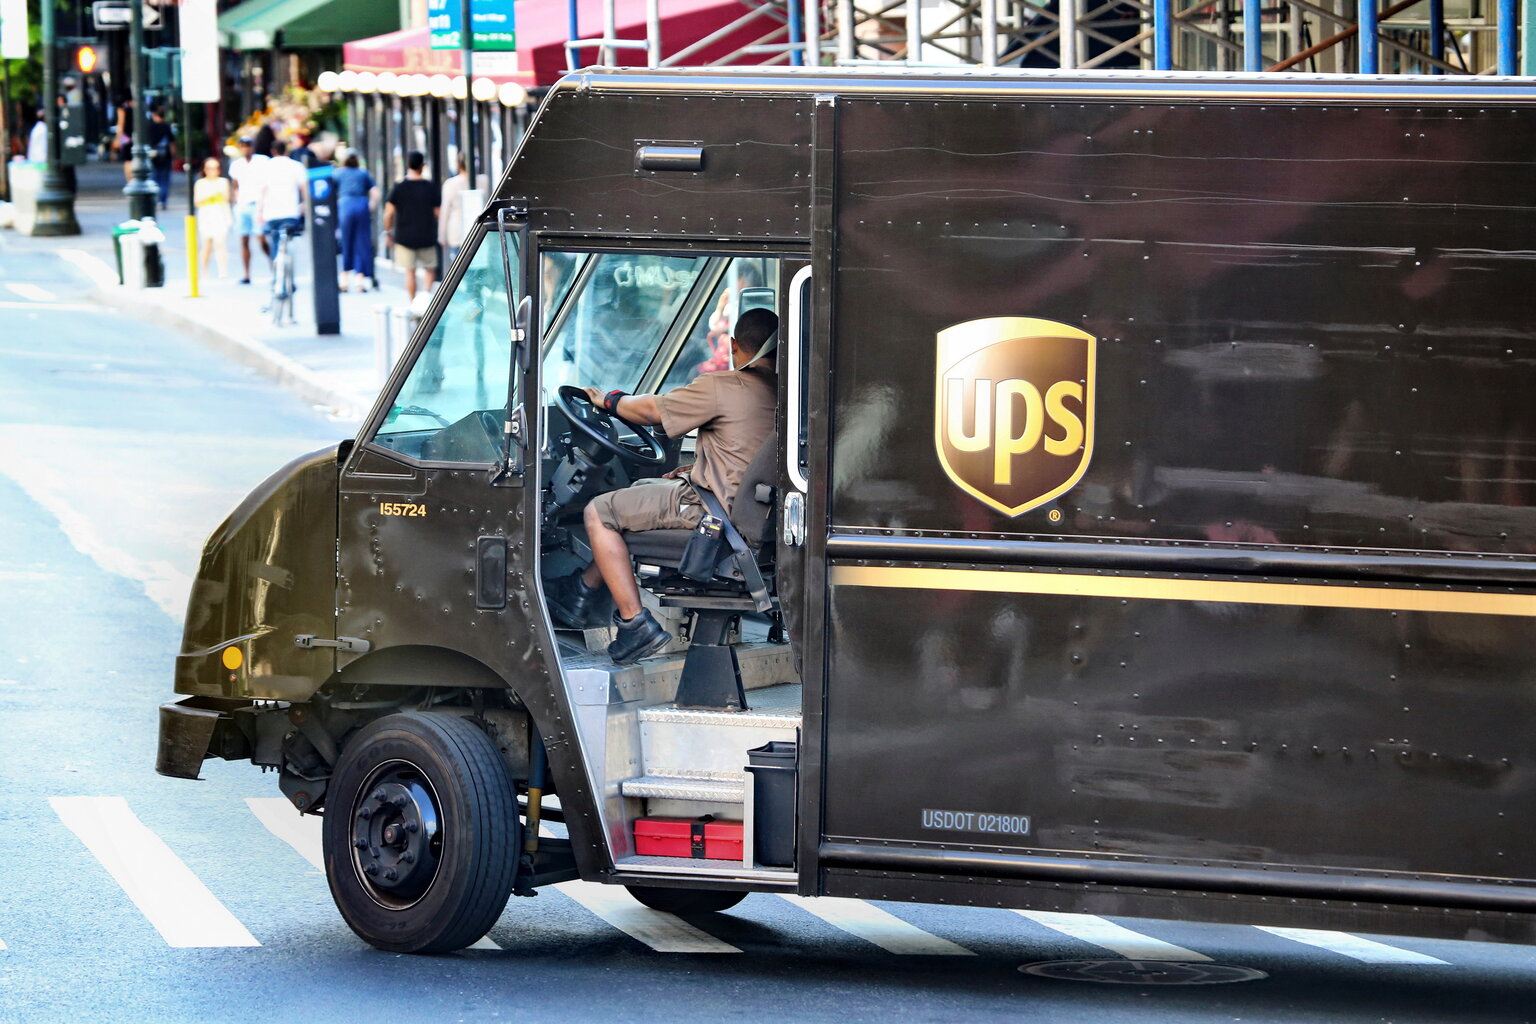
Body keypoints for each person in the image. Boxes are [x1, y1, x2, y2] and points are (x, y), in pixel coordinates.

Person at [550, 307, 780, 664]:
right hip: (748, 513)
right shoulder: (786, 396)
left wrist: (607, 400)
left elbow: (649, 411)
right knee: (639, 491)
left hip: (713, 517)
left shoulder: (722, 386)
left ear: (734, 345)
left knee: (599, 512)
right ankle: (581, 591)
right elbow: (745, 457)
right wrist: (696, 469)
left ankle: (634, 623)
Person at [383, 151, 440, 303]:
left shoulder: (399, 187)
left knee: (410, 272)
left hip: (404, 237)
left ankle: (413, 302)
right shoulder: (430, 187)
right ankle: (426, 298)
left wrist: (388, 231)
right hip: (427, 235)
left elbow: (388, 214)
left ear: (408, 165)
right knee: (430, 269)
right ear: (422, 166)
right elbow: (437, 213)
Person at [258, 139, 310, 274]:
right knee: (289, 239)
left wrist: (260, 211)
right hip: (291, 212)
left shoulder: (266, 167)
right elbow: (304, 188)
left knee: (275, 241)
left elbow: (262, 191)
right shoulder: (297, 166)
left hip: (272, 213)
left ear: (273, 151)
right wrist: (304, 205)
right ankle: (289, 273)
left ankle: (277, 275)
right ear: (287, 151)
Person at [228, 137, 270, 284]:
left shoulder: (262, 161)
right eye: (243, 146)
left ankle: (274, 267)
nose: (246, 148)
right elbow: (235, 185)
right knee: (244, 239)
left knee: (261, 239)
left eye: (248, 146)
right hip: (243, 204)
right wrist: (236, 201)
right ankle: (246, 274)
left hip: (258, 204)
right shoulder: (236, 165)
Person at [335, 152, 377, 292]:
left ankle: (344, 281)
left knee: (346, 242)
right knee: (362, 243)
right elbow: (375, 193)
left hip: (345, 206)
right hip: (361, 205)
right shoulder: (363, 173)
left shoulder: (338, 173)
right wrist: (370, 206)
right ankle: (360, 281)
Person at [194, 157, 232, 279]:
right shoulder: (200, 183)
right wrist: (213, 194)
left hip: (220, 214)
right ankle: (204, 271)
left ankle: (223, 271)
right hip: (206, 215)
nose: (212, 171)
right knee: (206, 245)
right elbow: (198, 201)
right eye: (209, 168)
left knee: (220, 244)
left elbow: (225, 197)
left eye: (215, 168)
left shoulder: (223, 182)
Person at [437, 152, 478, 266]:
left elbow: (445, 211)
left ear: (459, 164)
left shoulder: (450, 184)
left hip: (456, 232)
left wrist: (442, 236)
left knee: (458, 268)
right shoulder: (483, 180)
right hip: (477, 230)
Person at [146, 103, 174, 209]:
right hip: (165, 156)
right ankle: (163, 200)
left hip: (153, 157)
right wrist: (173, 155)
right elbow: (171, 143)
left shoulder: (150, 127)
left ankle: (156, 199)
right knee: (165, 180)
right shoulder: (167, 127)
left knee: (155, 178)